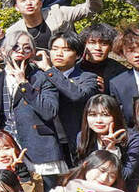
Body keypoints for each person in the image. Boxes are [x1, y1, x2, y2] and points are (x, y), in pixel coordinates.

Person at [0, 30, 65, 192]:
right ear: (5, 50)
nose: (20, 51)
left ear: (33, 53)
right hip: (8, 152)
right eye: (15, 47)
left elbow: (50, 111)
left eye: (27, 48)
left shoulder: (42, 78)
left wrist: (24, 84)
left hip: (41, 150)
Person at [37, 30, 99, 160]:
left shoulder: (88, 78)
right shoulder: (38, 77)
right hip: (48, 142)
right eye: (54, 49)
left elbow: (77, 96)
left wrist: (50, 70)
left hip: (78, 142)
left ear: (77, 55)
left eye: (66, 50)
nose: (59, 53)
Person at [2, 0, 102, 49]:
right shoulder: (13, 32)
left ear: (40, 2)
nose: (29, 3)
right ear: (16, 7)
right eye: (23, 0)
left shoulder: (59, 13)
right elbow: (9, 58)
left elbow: (92, 9)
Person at [76, 94, 139, 191]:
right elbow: (84, 171)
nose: (98, 120)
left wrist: (112, 151)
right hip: (93, 191)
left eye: (105, 115)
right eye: (92, 115)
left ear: (116, 116)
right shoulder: (83, 137)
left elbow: (125, 176)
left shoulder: (134, 139)